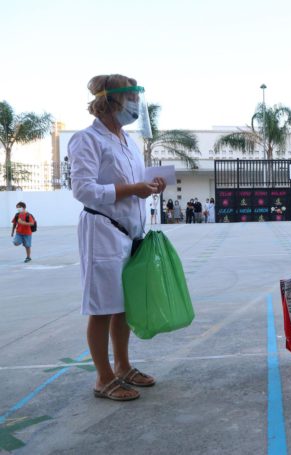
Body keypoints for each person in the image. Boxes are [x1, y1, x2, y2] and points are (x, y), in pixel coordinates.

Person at [68, 74, 166, 401]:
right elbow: (83, 189)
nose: (136, 106)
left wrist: (150, 186)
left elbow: (135, 185)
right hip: (103, 231)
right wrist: (131, 189)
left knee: (123, 305)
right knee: (102, 307)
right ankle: (103, 377)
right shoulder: (87, 140)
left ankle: (123, 366)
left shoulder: (128, 141)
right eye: (131, 100)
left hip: (131, 232)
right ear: (111, 102)